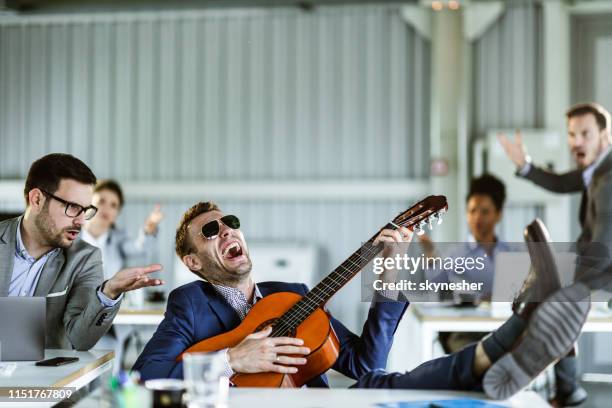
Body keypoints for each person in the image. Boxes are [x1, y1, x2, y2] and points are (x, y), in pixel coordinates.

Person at [132, 201, 590, 401]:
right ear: (193, 262)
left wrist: (390, 274)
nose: (226, 230)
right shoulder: (189, 303)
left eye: (229, 222)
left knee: (378, 385)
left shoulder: (289, 296)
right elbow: (145, 377)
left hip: (306, 404)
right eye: (210, 231)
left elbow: (364, 362)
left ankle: (512, 338)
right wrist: (234, 357)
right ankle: (516, 339)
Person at [498, 102, 612, 405]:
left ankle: (557, 381)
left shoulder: (609, 179)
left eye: (585, 134)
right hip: (597, 270)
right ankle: (565, 388)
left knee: (553, 304)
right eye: (572, 134)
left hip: (606, 275)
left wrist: (569, 290)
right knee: (550, 301)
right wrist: (524, 165)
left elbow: (605, 249)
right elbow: (562, 182)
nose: (576, 142)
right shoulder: (596, 170)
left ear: (605, 135)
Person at [0, 153, 164, 351]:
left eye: (85, 210)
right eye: (72, 207)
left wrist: (109, 291)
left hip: (42, 381)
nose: (80, 221)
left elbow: (80, 339)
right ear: (36, 199)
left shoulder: (85, 258)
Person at [81, 179, 164, 371]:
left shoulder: (118, 241)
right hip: (73, 317)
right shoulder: (70, 237)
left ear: (117, 213)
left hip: (107, 323)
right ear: (89, 203)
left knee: (109, 369)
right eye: (101, 201)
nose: (106, 208)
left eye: (113, 205)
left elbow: (140, 247)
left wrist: (149, 228)